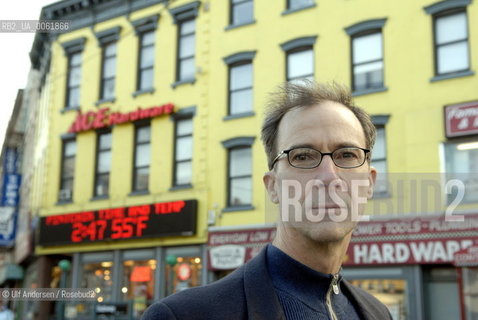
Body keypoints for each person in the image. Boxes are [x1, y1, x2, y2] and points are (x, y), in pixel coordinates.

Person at [142, 81, 392, 320]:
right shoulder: (184, 315)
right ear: (272, 186)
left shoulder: (377, 313)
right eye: (302, 156)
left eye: (347, 154)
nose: (328, 176)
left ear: (369, 182)